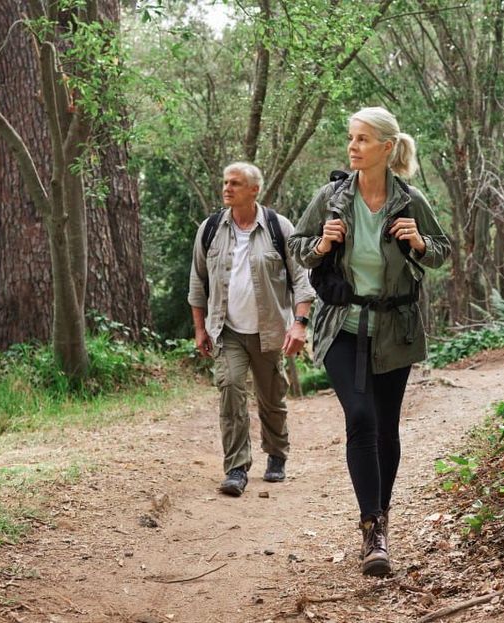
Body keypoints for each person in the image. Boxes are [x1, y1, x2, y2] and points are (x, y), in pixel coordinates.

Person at [288, 107, 450, 576]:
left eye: (362, 139)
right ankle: (371, 526)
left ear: (385, 147)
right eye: (350, 138)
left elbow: (441, 251)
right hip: (342, 326)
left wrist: (418, 241)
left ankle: (381, 521)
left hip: (394, 330)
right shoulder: (331, 197)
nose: (352, 146)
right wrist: (321, 244)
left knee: (386, 429)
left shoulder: (409, 199)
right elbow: (297, 246)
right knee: (360, 418)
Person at [188, 162, 315, 497]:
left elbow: (302, 281)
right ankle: (236, 468)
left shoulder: (279, 227)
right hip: (226, 330)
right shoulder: (211, 228)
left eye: (235, 183)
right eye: (225, 182)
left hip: (269, 330)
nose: (227, 188)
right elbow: (197, 284)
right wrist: (200, 329)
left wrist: (300, 325)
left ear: (254, 189)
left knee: (271, 397)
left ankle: (276, 454)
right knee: (230, 388)